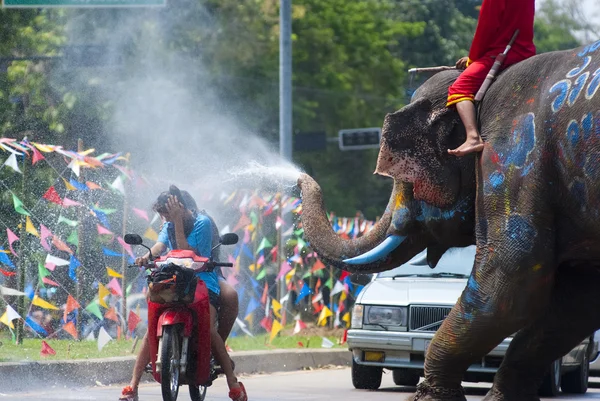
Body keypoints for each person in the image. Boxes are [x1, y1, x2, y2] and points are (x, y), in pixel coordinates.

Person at [119, 187, 247, 401]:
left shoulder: (202, 223)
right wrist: (146, 256)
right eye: (164, 215)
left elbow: (187, 252)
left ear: (181, 207)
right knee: (151, 329)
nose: (165, 218)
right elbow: (160, 245)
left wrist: (177, 221)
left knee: (209, 326)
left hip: (202, 278)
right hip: (174, 278)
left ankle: (232, 382)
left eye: (169, 213)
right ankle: (133, 385)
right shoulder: (168, 224)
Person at [446, 0, 536, 157]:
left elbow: (485, 30)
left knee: (459, 88)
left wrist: (472, 60)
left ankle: (473, 137)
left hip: (502, 54)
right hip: (525, 52)